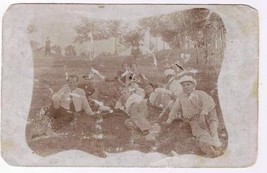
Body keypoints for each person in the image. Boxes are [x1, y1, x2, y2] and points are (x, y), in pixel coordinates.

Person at [166, 75, 222, 156]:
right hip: (194, 118)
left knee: (212, 120)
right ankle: (207, 145)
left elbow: (209, 102)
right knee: (199, 131)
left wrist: (203, 114)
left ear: (193, 85)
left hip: (206, 113)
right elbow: (175, 108)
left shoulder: (200, 93)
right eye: (183, 85)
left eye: (188, 84)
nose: (186, 87)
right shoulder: (181, 96)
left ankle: (214, 136)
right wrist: (169, 120)